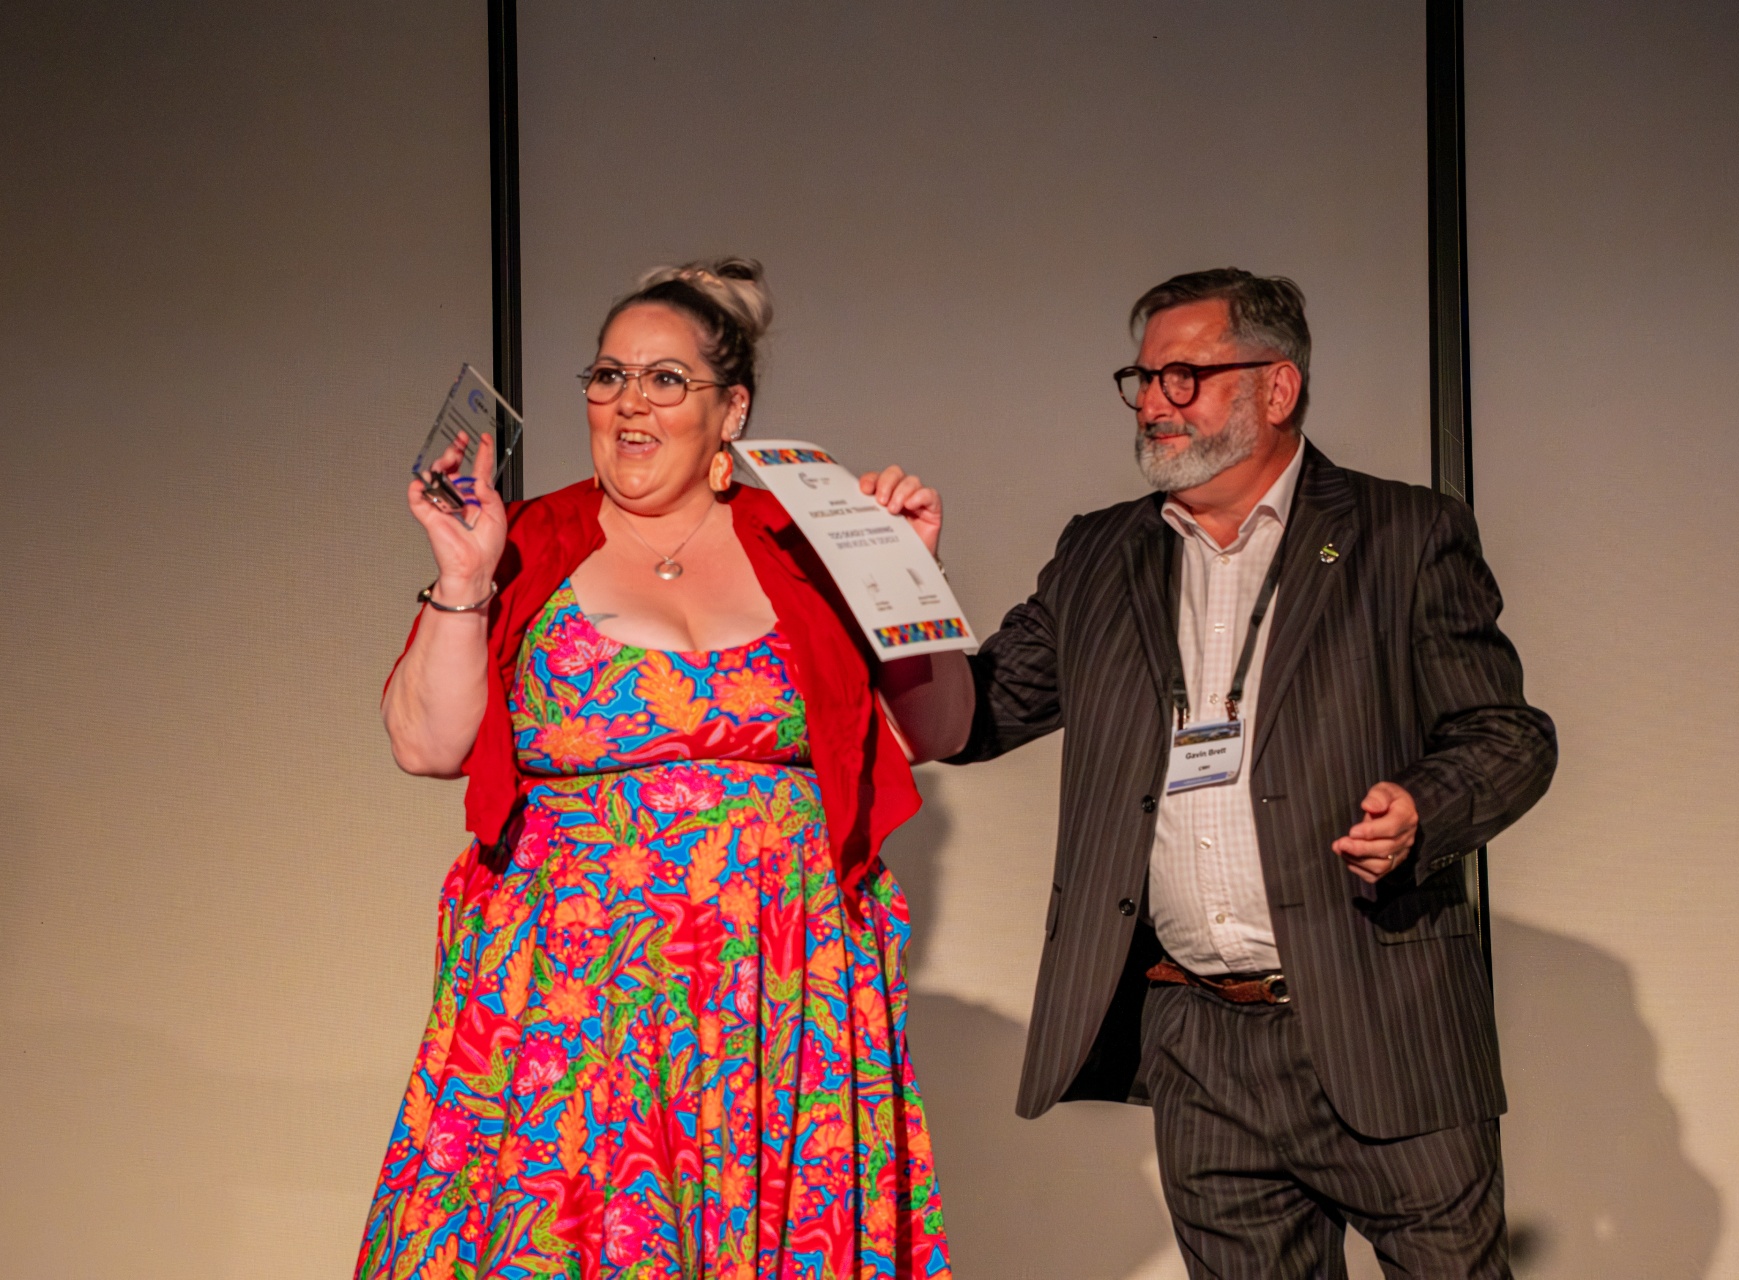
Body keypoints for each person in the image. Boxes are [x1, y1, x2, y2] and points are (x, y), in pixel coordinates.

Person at [358, 258, 972, 1280]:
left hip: (775, 993)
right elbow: (427, 744)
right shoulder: (534, 540)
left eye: (664, 380)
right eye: (607, 377)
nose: (628, 404)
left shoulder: (805, 543)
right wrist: (463, 576)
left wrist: (909, 576)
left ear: (732, 409)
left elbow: (937, 729)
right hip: (572, 997)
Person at [943, 268, 1557, 1277]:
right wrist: (896, 582)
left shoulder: (1403, 535)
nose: (1152, 400)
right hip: (1198, 1039)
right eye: (1142, 375)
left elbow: (1508, 733)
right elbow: (973, 715)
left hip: (1378, 1016)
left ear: (1277, 388)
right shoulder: (1102, 554)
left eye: (1185, 375)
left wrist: (1424, 806)